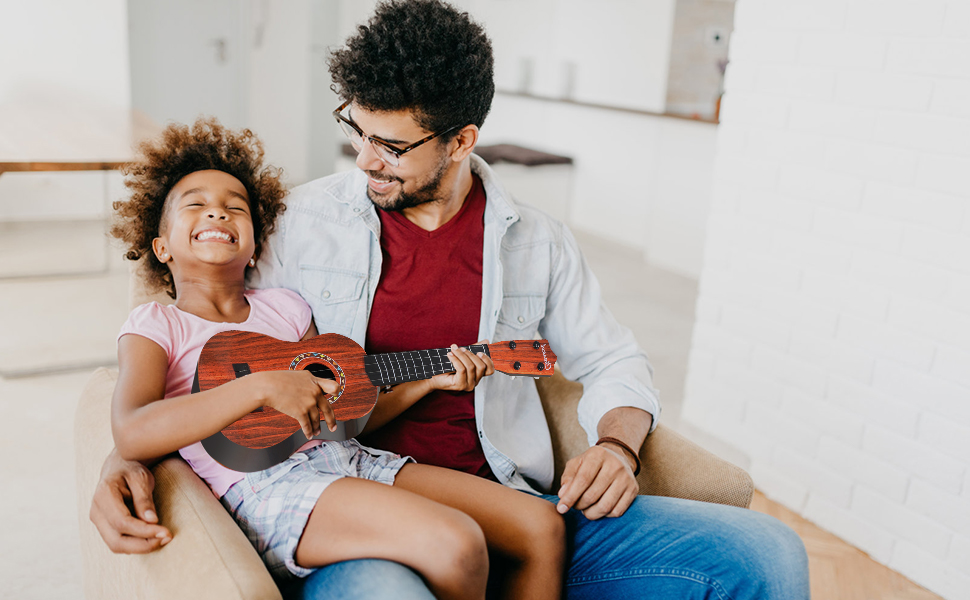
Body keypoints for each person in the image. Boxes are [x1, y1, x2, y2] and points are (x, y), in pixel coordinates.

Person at [91, 1, 811, 598]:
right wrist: (125, 459)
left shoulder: (538, 243)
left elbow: (614, 360)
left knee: (768, 555)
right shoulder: (295, 225)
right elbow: (194, 335)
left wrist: (618, 446)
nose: (364, 159)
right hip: (347, 510)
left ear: (461, 140)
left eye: (391, 146)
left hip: (508, 495)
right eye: (357, 130)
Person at [105, 117, 565, 600]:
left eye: (235, 207)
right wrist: (260, 387)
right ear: (161, 247)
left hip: (349, 459)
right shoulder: (156, 325)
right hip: (265, 486)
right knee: (457, 543)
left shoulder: (287, 309)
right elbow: (132, 431)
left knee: (542, 524)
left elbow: (342, 417)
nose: (218, 213)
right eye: (196, 205)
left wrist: (427, 381)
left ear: (256, 245)